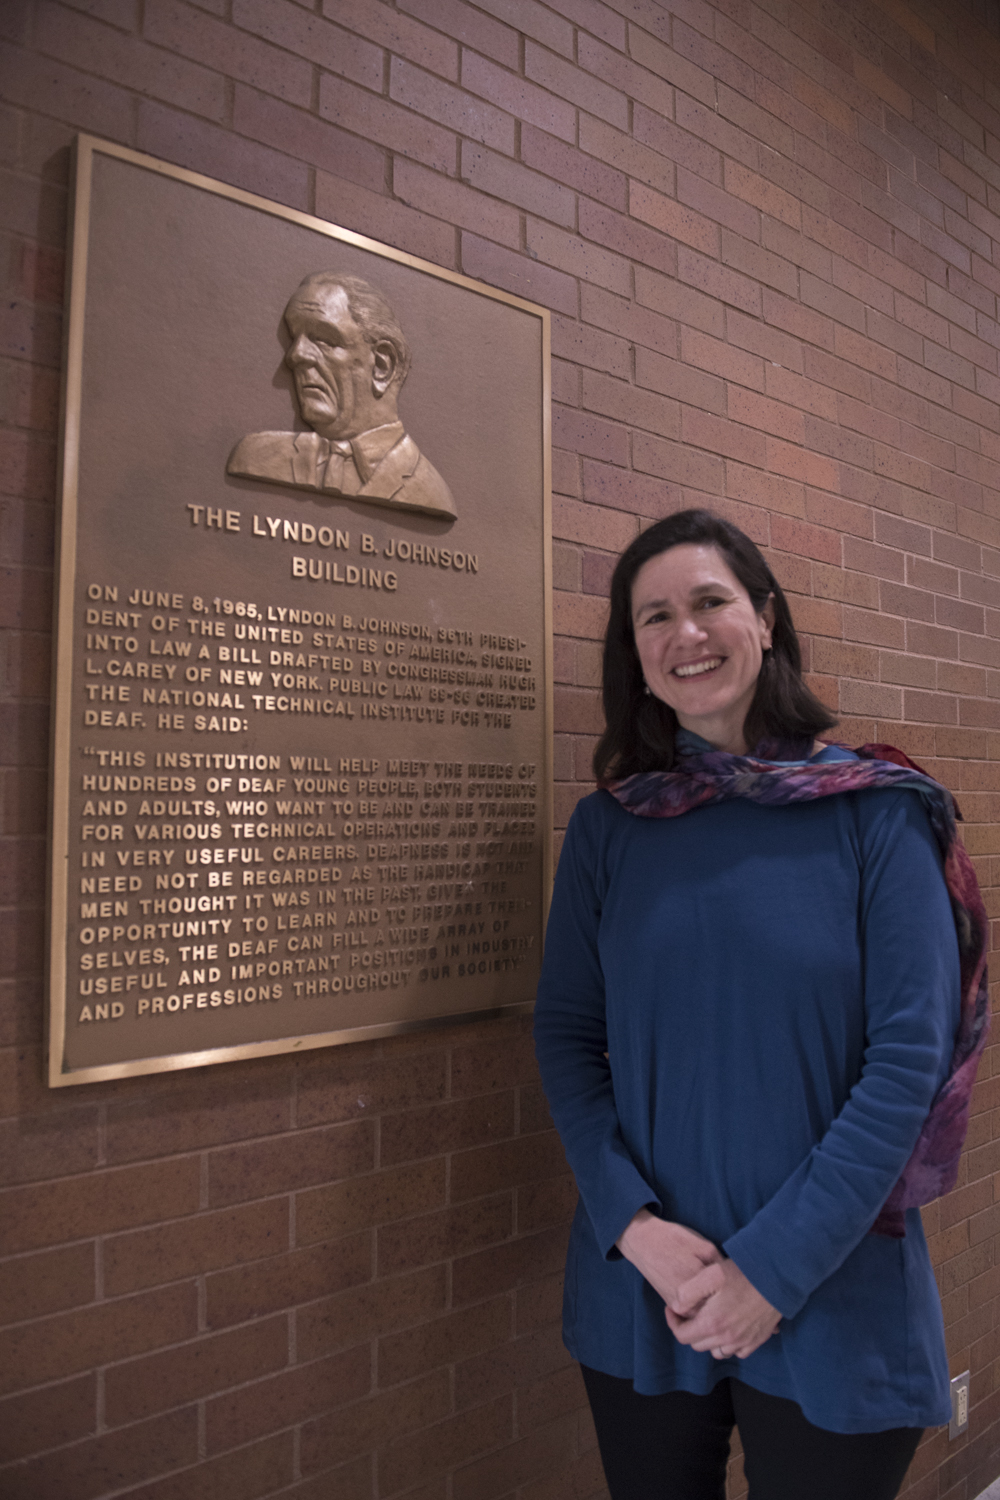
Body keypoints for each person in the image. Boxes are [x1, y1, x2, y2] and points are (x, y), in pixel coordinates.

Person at [534, 509, 988, 1500]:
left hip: (831, 1280)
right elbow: (565, 1035)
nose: (685, 634)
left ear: (766, 619)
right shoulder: (609, 829)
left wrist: (770, 1274)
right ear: (634, 653)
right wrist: (631, 1225)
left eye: (709, 602)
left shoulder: (874, 809)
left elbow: (906, 1060)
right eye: (654, 616)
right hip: (648, 1279)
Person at [227, 272, 456, 519]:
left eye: (323, 339)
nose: (295, 355)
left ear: (382, 366)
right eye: (294, 338)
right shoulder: (256, 458)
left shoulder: (430, 492)